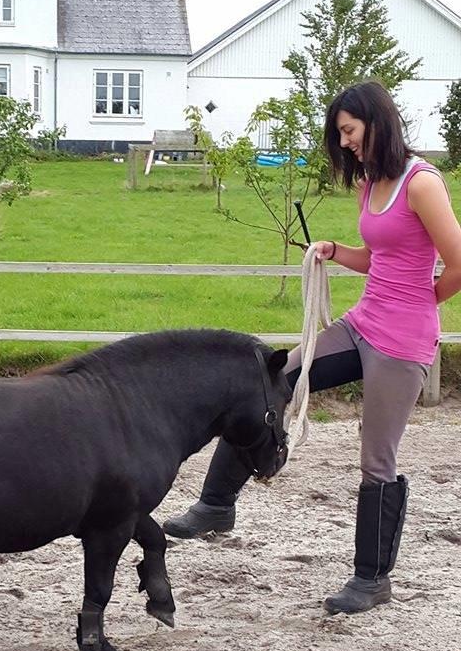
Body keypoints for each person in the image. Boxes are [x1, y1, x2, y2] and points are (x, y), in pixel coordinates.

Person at [163, 80, 461, 614]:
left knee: (377, 459)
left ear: (375, 121)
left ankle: (372, 580)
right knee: (269, 384)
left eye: (348, 131)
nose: (344, 142)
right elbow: (383, 257)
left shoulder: (422, 183)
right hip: (361, 323)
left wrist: (423, 303)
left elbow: (457, 263)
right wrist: (335, 250)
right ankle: (215, 505)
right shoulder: (374, 183)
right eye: (339, 134)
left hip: (403, 342)